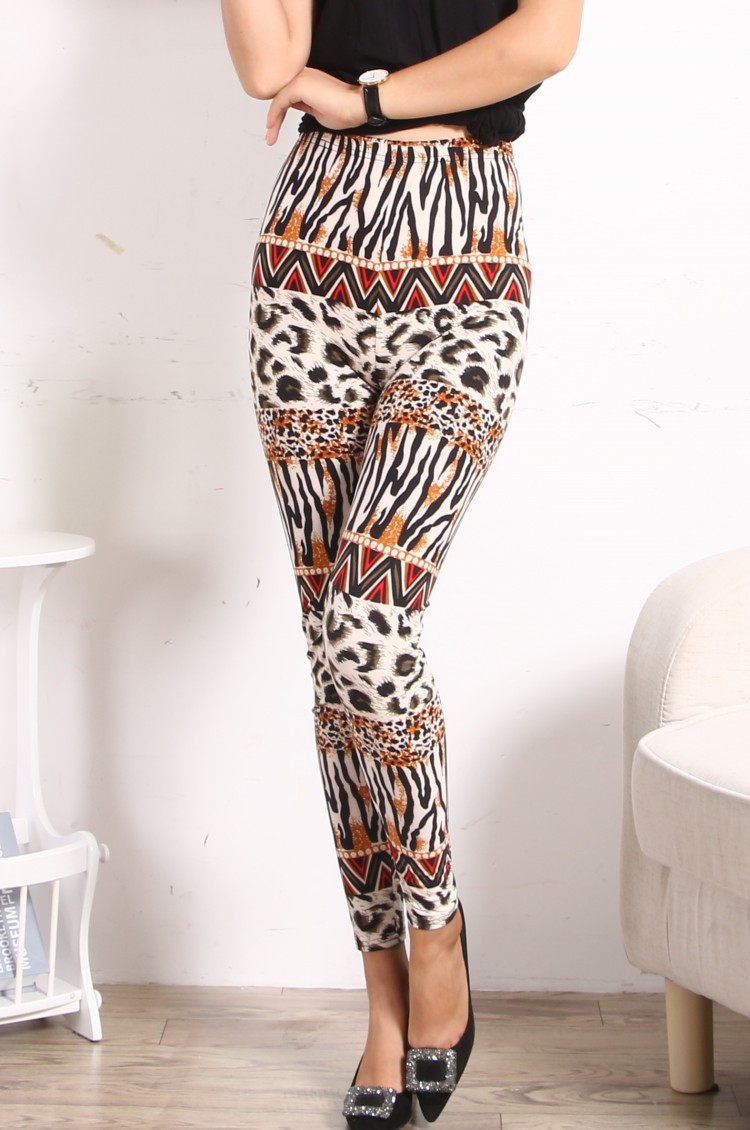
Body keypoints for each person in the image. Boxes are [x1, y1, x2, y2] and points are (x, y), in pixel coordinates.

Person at [221, 2, 583, 1125]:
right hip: (310, 256)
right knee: (333, 652)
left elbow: (545, 40)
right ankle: (384, 1001)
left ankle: (437, 927)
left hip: (463, 257)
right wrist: (332, 102)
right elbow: (270, 66)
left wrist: (366, 100)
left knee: (369, 623)